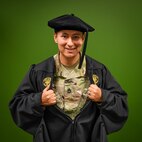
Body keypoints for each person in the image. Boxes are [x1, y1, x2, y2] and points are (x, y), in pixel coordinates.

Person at [9, 14, 128, 142]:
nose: (70, 43)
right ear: (55, 37)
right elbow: (17, 105)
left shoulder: (99, 71)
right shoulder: (39, 71)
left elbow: (121, 106)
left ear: (83, 39)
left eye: (76, 37)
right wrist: (39, 100)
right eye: (64, 36)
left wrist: (103, 97)